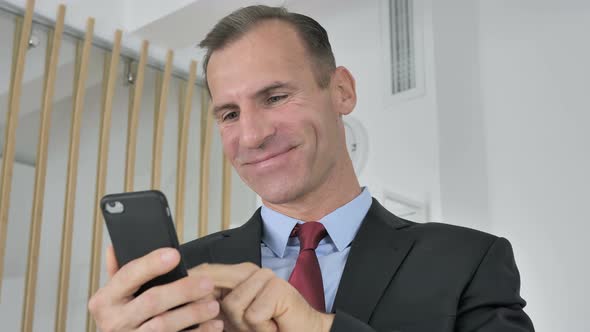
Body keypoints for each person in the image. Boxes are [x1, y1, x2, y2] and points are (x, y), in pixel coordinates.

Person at [89, 5, 534, 332]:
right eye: (229, 114)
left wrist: (320, 329)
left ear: (341, 90)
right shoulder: (185, 279)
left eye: (276, 97)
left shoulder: (468, 261)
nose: (251, 136)